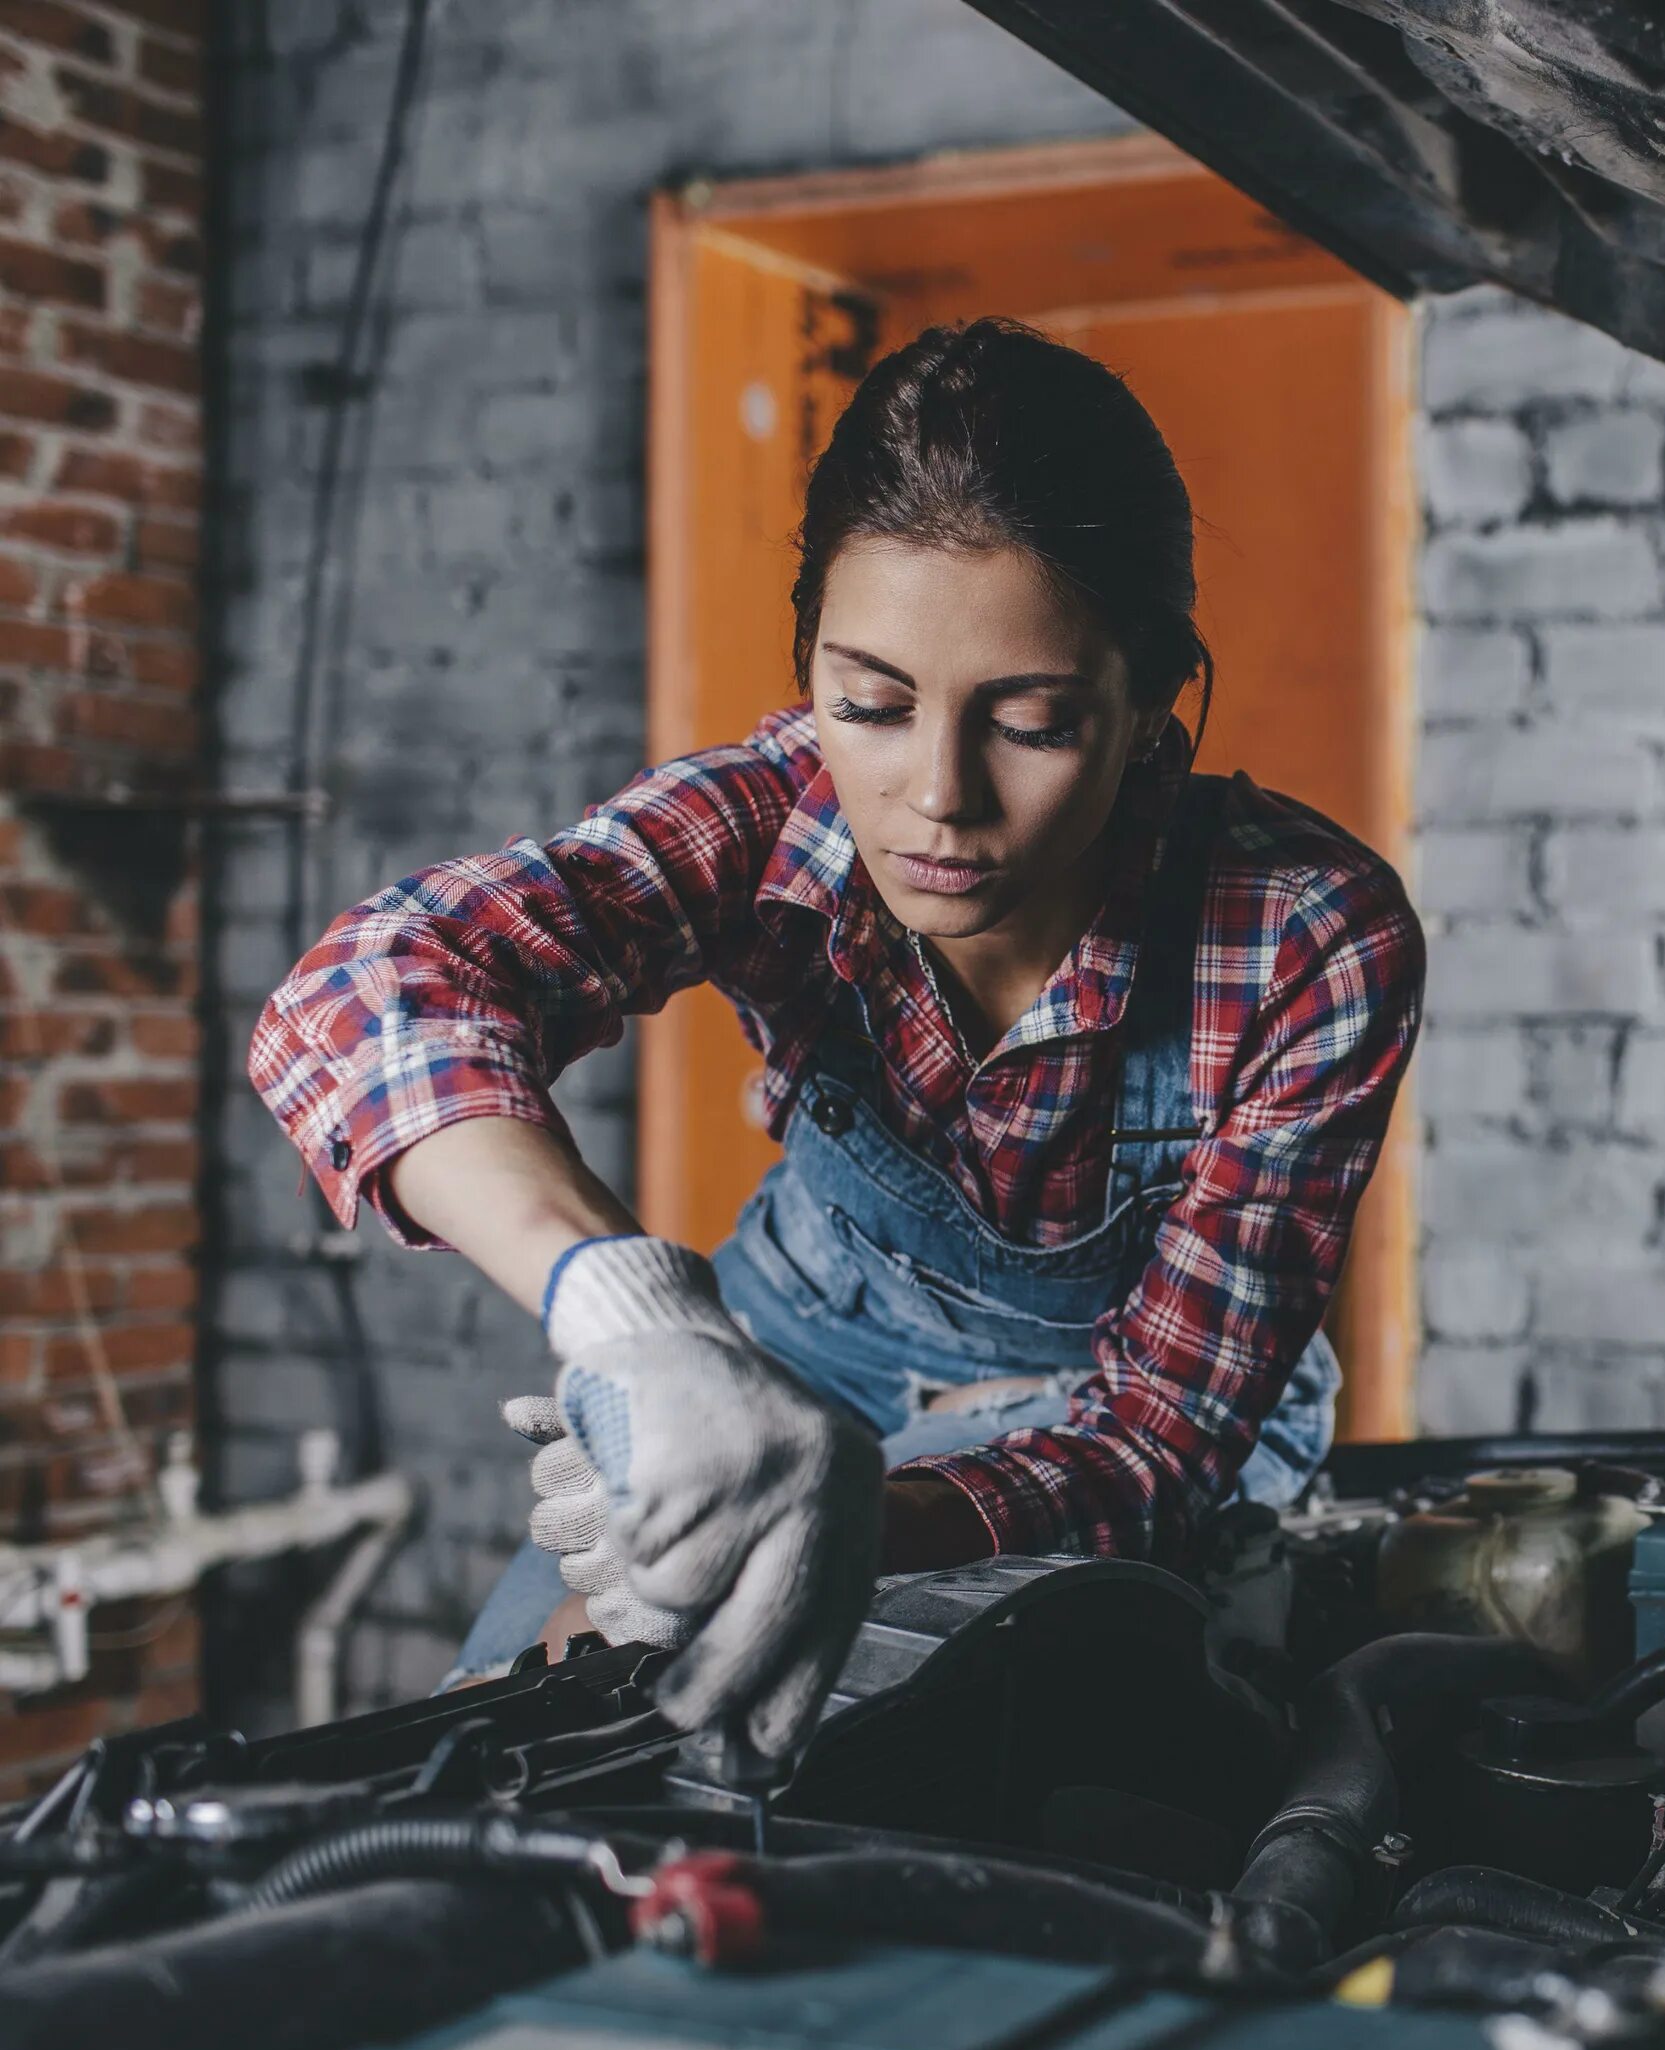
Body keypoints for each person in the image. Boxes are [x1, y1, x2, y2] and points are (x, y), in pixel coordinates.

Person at [249, 319, 1424, 1766]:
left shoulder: (1307, 938)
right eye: (870, 701)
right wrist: (640, 1322)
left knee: (937, 1763)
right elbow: (371, 987)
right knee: (519, 1727)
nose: (936, 794)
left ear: (1150, 710)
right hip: (797, 1344)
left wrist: (870, 1514)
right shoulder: (767, 817)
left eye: (1036, 721)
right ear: (808, 663)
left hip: (1116, 1408)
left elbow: (1154, 1444)